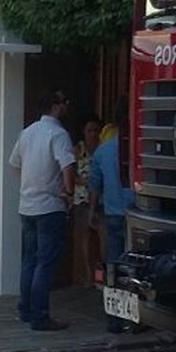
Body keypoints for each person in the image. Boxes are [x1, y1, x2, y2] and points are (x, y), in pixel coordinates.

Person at [8, 89, 76, 331]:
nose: (67, 106)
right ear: (56, 106)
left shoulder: (27, 133)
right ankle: (40, 315)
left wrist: (30, 184)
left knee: (29, 260)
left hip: (27, 205)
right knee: (45, 263)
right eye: (65, 102)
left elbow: (14, 163)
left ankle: (26, 310)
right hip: (50, 206)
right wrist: (68, 193)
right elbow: (67, 164)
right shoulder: (58, 134)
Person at [88, 98, 136, 333]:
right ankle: (136, 319)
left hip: (113, 213)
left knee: (114, 267)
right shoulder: (139, 147)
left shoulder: (103, 150)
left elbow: (95, 185)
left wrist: (92, 211)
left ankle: (114, 319)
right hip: (137, 215)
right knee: (137, 268)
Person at [71, 115, 103, 287]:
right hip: (82, 197)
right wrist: (81, 181)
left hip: (99, 198)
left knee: (100, 238)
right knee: (85, 237)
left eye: (95, 130)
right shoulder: (78, 149)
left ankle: (101, 276)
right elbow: (70, 172)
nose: (92, 134)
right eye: (89, 130)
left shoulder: (103, 149)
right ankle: (89, 275)